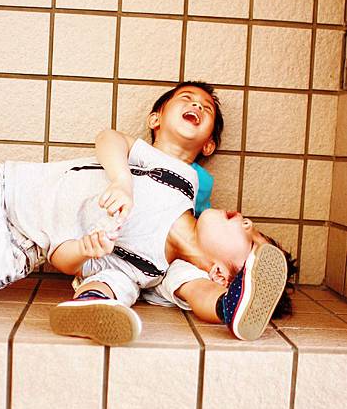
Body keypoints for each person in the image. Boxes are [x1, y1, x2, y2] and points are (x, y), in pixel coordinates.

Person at [50, 82, 294, 344]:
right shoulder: (177, 176)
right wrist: (122, 181)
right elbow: (109, 138)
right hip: (123, 235)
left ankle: (228, 305)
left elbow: (198, 274)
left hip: (141, 260)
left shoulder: (177, 265)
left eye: (252, 243)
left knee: (127, 280)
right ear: (155, 119)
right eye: (187, 98)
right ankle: (229, 304)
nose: (248, 222)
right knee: (130, 276)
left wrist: (84, 250)